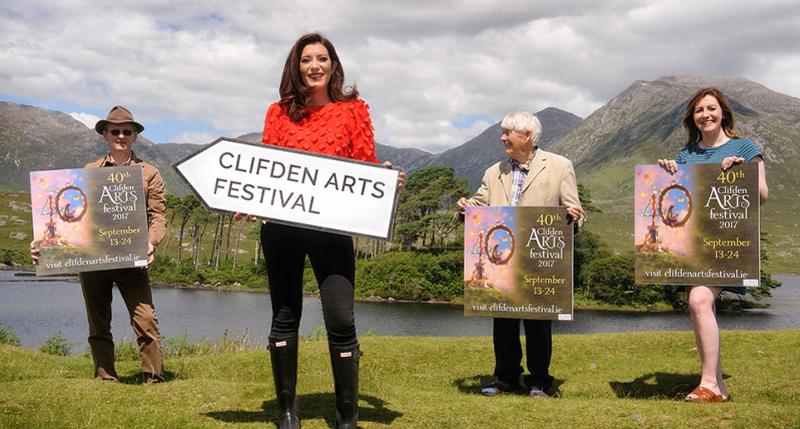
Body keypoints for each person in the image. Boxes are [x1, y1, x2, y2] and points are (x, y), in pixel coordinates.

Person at [251, 32, 404, 429]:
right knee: (284, 317)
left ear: (333, 65)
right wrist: (249, 202)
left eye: (321, 58)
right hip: (282, 230)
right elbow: (265, 168)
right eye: (306, 60)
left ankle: (347, 416)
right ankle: (287, 413)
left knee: (340, 320)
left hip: (332, 234)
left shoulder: (354, 110)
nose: (314, 66)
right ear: (295, 66)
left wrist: (383, 179)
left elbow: (365, 165)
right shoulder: (277, 112)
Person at [31, 105, 167, 384]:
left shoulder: (149, 173)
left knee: (145, 320)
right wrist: (44, 244)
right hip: (94, 262)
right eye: (114, 131)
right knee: (98, 322)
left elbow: (159, 217)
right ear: (105, 135)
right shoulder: (89, 171)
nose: (120, 135)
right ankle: (105, 376)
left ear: (135, 136)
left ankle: (153, 377)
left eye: (126, 131)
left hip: (132, 259)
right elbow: (72, 219)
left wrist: (151, 243)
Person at [457, 111, 584, 398]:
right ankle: (505, 378)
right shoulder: (493, 172)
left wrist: (576, 217)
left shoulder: (560, 166)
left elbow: (574, 208)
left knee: (539, 321)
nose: (502, 137)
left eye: (508, 132)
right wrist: (466, 207)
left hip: (540, 256)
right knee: (503, 320)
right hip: (500, 256)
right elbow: (479, 203)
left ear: (527, 136)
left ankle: (539, 381)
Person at [658, 87, 768, 403]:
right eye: (698, 111)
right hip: (694, 246)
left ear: (723, 113)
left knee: (698, 300)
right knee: (700, 303)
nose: (705, 114)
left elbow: (761, 196)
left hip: (727, 242)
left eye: (711, 108)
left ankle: (708, 384)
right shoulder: (686, 154)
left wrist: (741, 173)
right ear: (692, 118)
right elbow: (680, 199)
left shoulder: (745, 148)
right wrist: (669, 174)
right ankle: (717, 387)